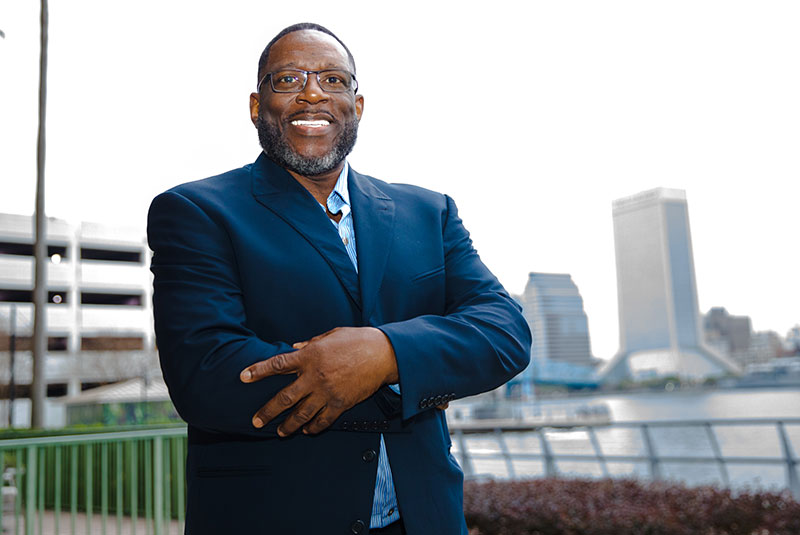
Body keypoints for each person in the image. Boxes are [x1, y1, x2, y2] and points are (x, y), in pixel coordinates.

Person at [148, 22, 531, 535]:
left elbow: (503, 330)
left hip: (424, 520)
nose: (312, 92)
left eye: (333, 79)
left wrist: (387, 355)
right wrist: (412, 380)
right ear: (257, 107)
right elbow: (208, 375)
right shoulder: (197, 211)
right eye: (287, 80)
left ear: (358, 103)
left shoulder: (429, 211)